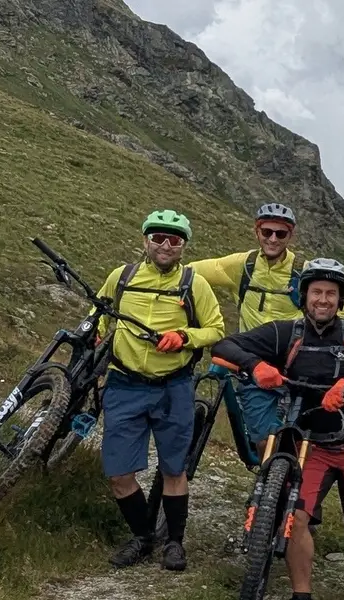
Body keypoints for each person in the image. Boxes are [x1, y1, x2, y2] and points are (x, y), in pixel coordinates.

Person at [208, 257, 344, 600]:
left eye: (331, 293)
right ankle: (302, 594)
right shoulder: (287, 333)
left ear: (340, 300)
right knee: (294, 518)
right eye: (316, 292)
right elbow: (224, 345)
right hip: (310, 447)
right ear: (304, 296)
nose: (323, 299)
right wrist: (256, 366)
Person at [96, 210, 226, 571]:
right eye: (158, 237)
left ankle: (174, 543)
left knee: (173, 470)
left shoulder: (194, 284)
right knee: (119, 474)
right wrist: (94, 331)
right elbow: (102, 313)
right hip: (124, 384)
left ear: (183, 246)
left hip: (174, 387)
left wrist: (184, 337)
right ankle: (143, 537)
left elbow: (215, 329)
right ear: (145, 240)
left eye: (175, 239)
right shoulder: (121, 277)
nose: (166, 245)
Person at [189, 203, 344, 465]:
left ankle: (290, 484)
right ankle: (271, 489)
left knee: (304, 438)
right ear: (257, 232)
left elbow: (338, 312)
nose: (273, 239)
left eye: (281, 234)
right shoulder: (243, 265)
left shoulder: (304, 271)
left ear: (290, 235)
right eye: (267, 232)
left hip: (295, 363)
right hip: (252, 362)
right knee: (264, 441)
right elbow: (190, 273)